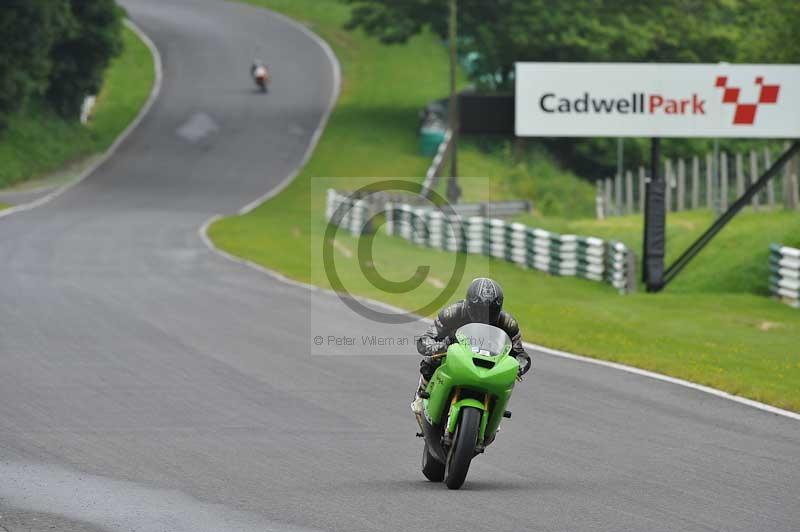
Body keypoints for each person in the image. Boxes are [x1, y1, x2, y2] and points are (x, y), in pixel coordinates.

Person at [412, 277, 531, 415]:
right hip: (456, 356)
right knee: (431, 360)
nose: (484, 315)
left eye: (491, 310)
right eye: (478, 309)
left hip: (490, 362)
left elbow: (521, 355)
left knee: (509, 376)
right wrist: (441, 348)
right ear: (469, 303)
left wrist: (517, 368)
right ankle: (421, 395)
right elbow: (425, 340)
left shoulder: (508, 323)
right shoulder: (453, 313)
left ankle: (496, 411)